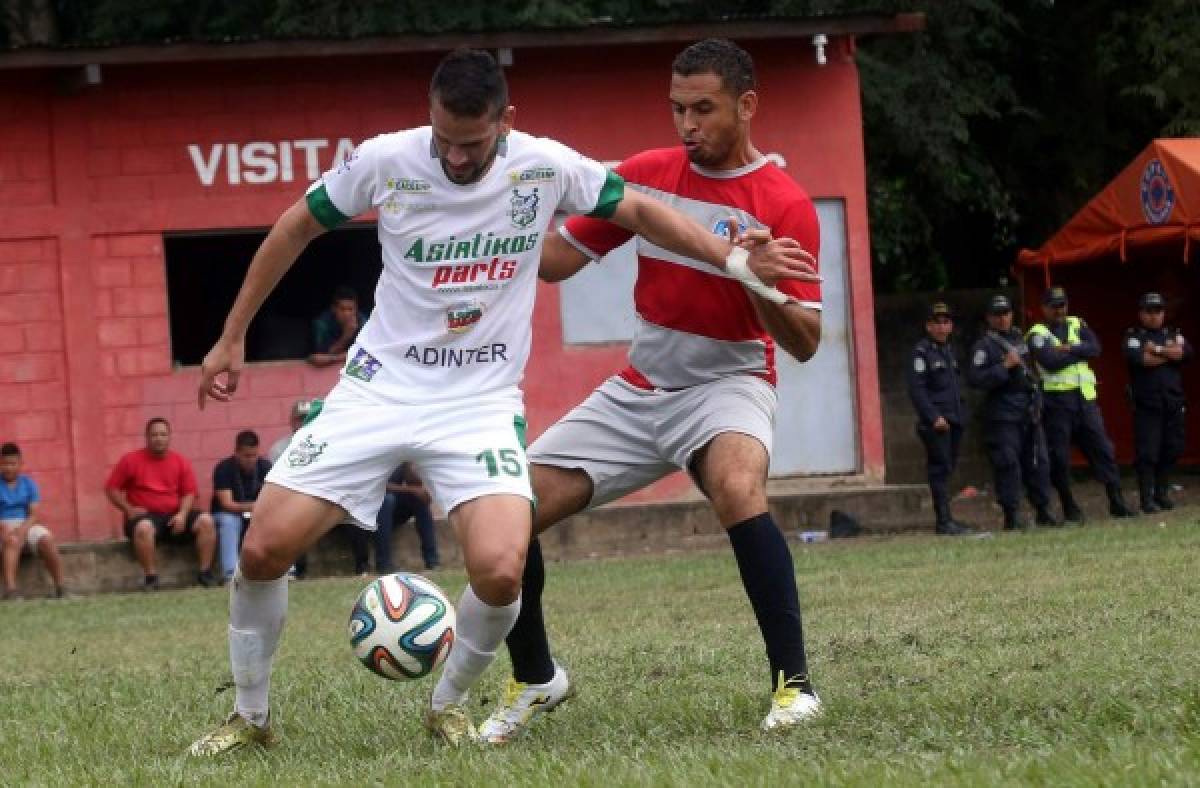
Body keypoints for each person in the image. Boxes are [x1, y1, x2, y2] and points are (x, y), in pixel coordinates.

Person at [189, 47, 817, 756]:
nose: (455, 160)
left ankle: (449, 704)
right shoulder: (385, 160)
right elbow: (296, 225)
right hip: (379, 389)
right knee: (266, 548)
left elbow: (642, 213)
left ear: (506, 122)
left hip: (482, 402)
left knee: (498, 567)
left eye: (473, 144)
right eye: (443, 142)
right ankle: (250, 716)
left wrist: (735, 262)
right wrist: (232, 335)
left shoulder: (546, 164)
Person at [481, 39, 823, 743]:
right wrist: (502, 193)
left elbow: (805, 342)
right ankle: (537, 678)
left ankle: (795, 688)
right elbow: (553, 264)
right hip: (640, 388)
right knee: (509, 512)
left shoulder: (785, 203)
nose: (687, 124)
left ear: (746, 107)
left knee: (737, 486)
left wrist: (752, 275)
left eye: (704, 109)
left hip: (729, 382)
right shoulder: (645, 176)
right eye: (677, 109)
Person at [1027, 286, 1136, 521]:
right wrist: (1079, 352)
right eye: (1054, 306)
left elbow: (1095, 349)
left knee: (1104, 450)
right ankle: (1069, 505)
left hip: (1085, 400)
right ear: (1044, 308)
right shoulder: (1037, 333)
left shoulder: (1077, 323)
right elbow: (1050, 362)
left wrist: (1069, 348)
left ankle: (1116, 501)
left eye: (1062, 305)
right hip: (1056, 403)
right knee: (1060, 458)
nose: (1059, 310)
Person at [965, 295, 1058, 530]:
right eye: (997, 314)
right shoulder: (984, 346)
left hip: (1027, 411)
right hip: (1002, 414)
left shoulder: (1019, 338)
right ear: (989, 318)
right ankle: (1011, 514)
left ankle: (1043, 509)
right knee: (1008, 464)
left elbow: (1031, 374)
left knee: (1038, 462)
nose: (1003, 318)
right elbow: (976, 379)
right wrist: (1003, 367)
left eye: (1006, 313)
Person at [104, 417, 218, 590]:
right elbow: (111, 489)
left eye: (163, 434)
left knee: (206, 522)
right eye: (154, 435)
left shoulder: (180, 461)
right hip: (144, 516)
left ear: (169, 437)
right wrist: (128, 510)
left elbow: (189, 493)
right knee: (144, 527)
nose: (159, 438)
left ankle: (205, 574)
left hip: (174, 516)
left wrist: (182, 514)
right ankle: (151, 578)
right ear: (147, 437)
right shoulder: (130, 460)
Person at [907, 302, 974, 535]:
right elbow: (917, 390)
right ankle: (943, 521)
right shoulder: (922, 353)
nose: (942, 327)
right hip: (937, 423)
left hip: (954, 420)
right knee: (939, 470)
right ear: (928, 326)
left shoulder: (950, 352)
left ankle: (948, 519)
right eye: (937, 322)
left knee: (948, 469)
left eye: (946, 322)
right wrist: (933, 417)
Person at [1123, 291, 1192, 513]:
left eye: (1158, 311)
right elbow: (1141, 359)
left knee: (1171, 449)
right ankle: (1147, 498)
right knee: (1148, 452)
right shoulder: (1134, 336)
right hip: (1147, 404)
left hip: (1172, 403)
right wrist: (1168, 354)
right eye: (1149, 311)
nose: (1154, 316)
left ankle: (1162, 494)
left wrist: (1159, 350)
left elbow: (1184, 354)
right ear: (1141, 313)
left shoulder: (1173, 333)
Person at [1, 442, 67, 599]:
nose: (9, 468)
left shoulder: (28, 484)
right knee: (12, 540)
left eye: (13, 463)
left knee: (46, 539)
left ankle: (61, 587)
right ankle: (11, 590)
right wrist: (4, 528)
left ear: (20, 464)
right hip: (3, 524)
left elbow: (34, 514)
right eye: (5, 464)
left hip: (26, 522)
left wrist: (24, 529)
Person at [211, 430, 271, 582]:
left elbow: (272, 499)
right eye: (246, 456)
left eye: (254, 455)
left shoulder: (265, 467)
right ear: (237, 453)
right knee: (230, 522)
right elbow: (227, 504)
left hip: (257, 513)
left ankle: (283, 570)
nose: (251, 460)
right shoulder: (223, 469)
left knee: (276, 520)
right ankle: (231, 574)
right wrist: (256, 507)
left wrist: (258, 509)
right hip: (227, 514)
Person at [375, 462, 438, 572]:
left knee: (419, 500)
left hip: (393, 511)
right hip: (372, 511)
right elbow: (377, 486)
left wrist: (408, 464)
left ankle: (432, 561)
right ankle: (384, 563)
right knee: (387, 500)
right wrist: (412, 489)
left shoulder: (398, 454)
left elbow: (414, 482)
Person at [308, 286, 368, 367]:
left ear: (356, 309)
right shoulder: (321, 325)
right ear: (333, 309)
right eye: (342, 309)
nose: (346, 314)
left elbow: (368, 353)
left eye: (350, 309)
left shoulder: (363, 322)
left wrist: (334, 358)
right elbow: (319, 358)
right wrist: (345, 337)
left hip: (351, 367)